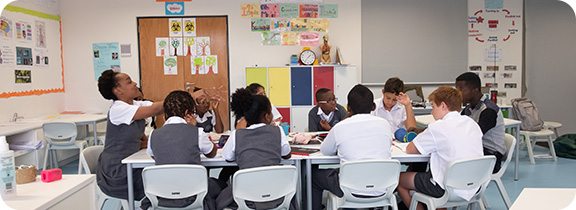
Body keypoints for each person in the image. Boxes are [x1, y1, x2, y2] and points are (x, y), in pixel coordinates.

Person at [397, 86, 484, 210]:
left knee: (399, 179)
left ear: (443, 106)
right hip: (474, 186)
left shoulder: (437, 127)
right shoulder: (472, 124)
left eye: (433, 107)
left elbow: (411, 149)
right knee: (438, 175)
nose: (432, 112)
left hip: (445, 189)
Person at [312, 84, 394, 210]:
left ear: (348, 108)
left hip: (349, 189)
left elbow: (325, 151)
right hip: (382, 188)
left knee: (313, 177)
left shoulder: (340, 127)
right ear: (373, 106)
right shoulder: (385, 125)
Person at [216, 88, 294, 210]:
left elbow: (227, 157)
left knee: (220, 197)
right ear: (267, 116)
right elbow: (287, 154)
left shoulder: (238, 134)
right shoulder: (277, 131)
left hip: (246, 196)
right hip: (276, 195)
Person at [96, 70, 163, 209]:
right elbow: (154, 109)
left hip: (131, 163)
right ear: (118, 90)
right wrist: (187, 97)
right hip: (116, 171)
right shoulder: (118, 109)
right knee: (159, 177)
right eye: (129, 81)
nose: (135, 84)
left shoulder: (134, 105)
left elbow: (157, 107)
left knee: (160, 172)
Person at [146, 90, 220, 209]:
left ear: (165, 114)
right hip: (193, 194)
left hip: (163, 194)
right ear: (187, 113)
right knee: (220, 185)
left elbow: (155, 156)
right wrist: (193, 128)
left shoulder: (154, 135)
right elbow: (212, 153)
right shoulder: (197, 132)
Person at [456, 72, 506, 173]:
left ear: (475, 90)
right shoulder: (468, 108)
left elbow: (475, 134)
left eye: (461, 90)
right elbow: (457, 126)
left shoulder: (489, 110)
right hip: (478, 149)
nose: (458, 94)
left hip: (491, 157)